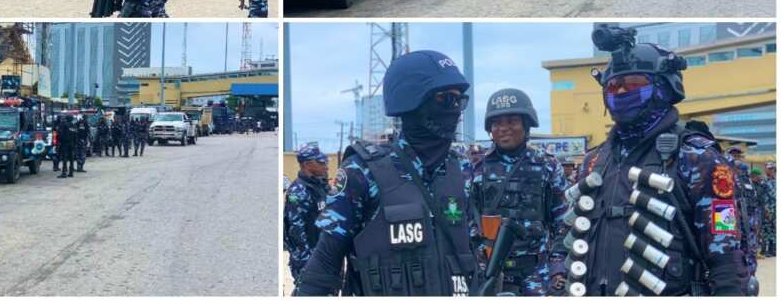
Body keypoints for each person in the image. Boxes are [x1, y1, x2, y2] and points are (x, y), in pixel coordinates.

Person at [570, 25, 745, 296]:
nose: (621, 92)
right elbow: (572, 234)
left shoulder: (697, 157)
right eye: (614, 86)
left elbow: (726, 256)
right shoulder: (594, 160)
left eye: (635, 84)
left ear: (665, 87)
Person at [295, 50, 479, 296]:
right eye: (445, 99)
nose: (454, 109)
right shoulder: (363, 172)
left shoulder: (462, 170)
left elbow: (474, 250)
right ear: (411, 100)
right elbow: (325, 264)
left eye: (459, 101)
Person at [469, 89, 568, 295]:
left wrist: (558, 267)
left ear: (526, 125)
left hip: (537, 271)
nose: (504, 128)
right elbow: (466, 220)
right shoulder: (476, 169)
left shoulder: (548, 166)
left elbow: (563, 221)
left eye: (512, 121)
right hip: (489, 271)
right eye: (497, 123)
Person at [284, 142, 330, 282]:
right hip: (309, 261)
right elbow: (296, 231)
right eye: (321, 162)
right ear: (307, 164)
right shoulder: (298, 192)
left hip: (326, 256)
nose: (326, 165)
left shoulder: (322, 187)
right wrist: (308, 262)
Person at [725, 145, 760, 292]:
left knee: (750, 256)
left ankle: (749, 283)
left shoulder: (747, 180)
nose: (737, 158)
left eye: (738, 155)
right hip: (732, 224)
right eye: (734, 155)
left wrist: (756, 223)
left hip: (749, 224)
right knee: (733, 255)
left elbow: (754, 201)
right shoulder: (724, 176)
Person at [760, 163, 776, 257]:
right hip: (767, 208)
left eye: (770, 169)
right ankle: (764, 250)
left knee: (774, 229)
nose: (768, 170)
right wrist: (765, 208)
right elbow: (762, 196)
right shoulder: (763, 182)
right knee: (766, 229)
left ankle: (773, 249)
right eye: (767, 169)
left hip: (775, 208)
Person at [57, 112, 75, 178]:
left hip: (65, 143)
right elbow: (76, 135)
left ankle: (64, 173)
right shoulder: (73, 125)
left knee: (64, 158)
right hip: (72, 143)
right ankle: (71, 172)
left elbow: (60, 134)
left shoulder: (63, 124)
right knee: (71, 158)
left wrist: (60, 141)